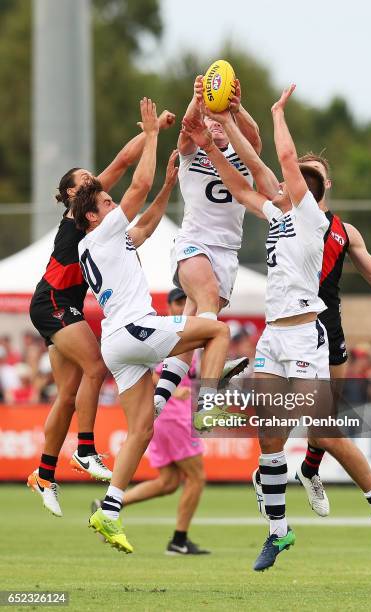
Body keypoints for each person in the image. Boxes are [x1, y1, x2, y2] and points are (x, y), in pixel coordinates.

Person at [182, 84, 371, 571]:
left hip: (305, 334)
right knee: (269, 435)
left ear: (307, 193)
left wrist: (276, 112)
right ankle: (279, 532)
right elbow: (243, 183)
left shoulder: (309, 216)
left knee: (322, 428)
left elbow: (278, 156)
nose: (279, 180)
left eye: (291, 180)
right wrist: (216, 139)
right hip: (274, 335)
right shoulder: (279, 209)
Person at [74, 98, 237, 554]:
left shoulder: (98, 244)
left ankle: (108, 511)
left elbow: (144, 225)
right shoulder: (100, 232)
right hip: (133, 329)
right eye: (106, 201)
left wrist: (169, 184)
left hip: (116, 343)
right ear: (91, 215)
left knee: (141, 432)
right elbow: (138, 184)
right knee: (217, 330)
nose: (112, 203)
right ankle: (208, 405)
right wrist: (150, 134)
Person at [27, 100, 176, 517]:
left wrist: (155, 131)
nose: (93, 179)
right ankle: (87, 450)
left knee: (69, 393)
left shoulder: (91, 208)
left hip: (62, 304)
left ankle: (44, 472)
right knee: (96, 365)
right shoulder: (79, 216)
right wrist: (150, 134)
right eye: (85, 179)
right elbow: (130, 166)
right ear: (73, 194)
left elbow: (127, 158)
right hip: (53, 301)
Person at [293, 152, 371, 517]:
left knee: (325, 421)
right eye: (305, 174)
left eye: (317, 175)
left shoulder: (344, 232)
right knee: (314, 419)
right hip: (293, 328)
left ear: (326, 183)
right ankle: (278, 473)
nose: (312, 180)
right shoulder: (284, 220)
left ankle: (309, 470)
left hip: (330, 331)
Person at [153, 76, 259, 414]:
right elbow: (186, 130)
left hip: (228, 253)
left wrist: (236, 109)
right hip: (194, 243)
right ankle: (212, 388)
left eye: (219, 121)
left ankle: (160, 397)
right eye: (208, 121)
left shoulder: (242, 157)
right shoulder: (192, 154)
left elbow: (254, 138)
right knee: (208, 302)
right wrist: (198, 100)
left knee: (192, 323)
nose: (213, 126)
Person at [92, 288, 210, 556]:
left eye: (186, 301)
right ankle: (179, 540)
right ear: (168, 306)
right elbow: (149, 371)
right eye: (178, 302)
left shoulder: (181, 333)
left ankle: (108, 504)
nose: (182, 306)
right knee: (196, 477)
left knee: (168, 482)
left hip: (164, 416)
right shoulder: (165, 333)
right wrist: (170, 388)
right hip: (171, 415)